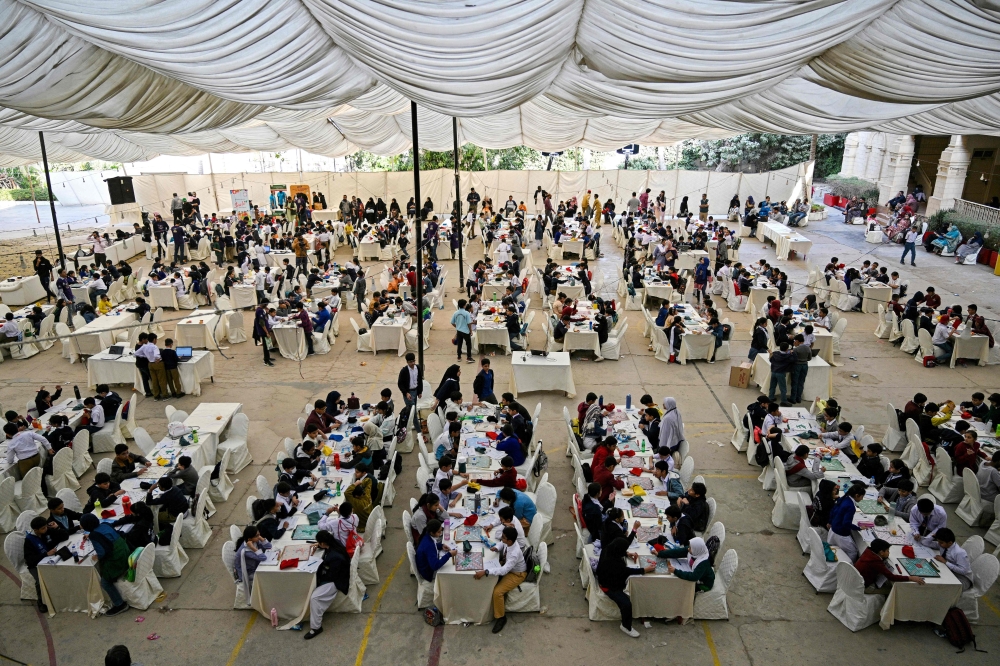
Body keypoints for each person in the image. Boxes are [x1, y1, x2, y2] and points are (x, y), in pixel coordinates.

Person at [596, 535, 657, 638]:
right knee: (626, 604)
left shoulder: (608, 548)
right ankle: (626, 626)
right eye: (624, 550)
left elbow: (622, 567)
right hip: (608, 585)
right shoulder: (613, 562)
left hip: (609, 577)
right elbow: (626, 571)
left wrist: (627, 554)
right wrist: (644, 570)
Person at [472, 526, 527, 634]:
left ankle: (501, 617)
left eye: (503, 537)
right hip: (508, 568)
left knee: (497, 592)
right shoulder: (510, 543)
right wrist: (496, 547)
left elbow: (504, 571)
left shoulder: (514, 554)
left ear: (510, 540)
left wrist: (486, 572)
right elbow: (502, 544)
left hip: (516, 574)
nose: (502, 539)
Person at [79, 513, 131, 616]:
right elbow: (105, 536)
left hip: (117, 559)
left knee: (105, 583)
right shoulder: (105, 524)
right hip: (126, 553)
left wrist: (97, 556)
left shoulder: (94, 536)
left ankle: (119, 604)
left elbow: (102, 552)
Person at [304, 529, 352, 639]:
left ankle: (316, 627)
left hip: (337, 581)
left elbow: (331, 575)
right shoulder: (336, 543)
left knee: (315, 598)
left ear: (323, 543)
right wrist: (319, 545)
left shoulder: (334, 557)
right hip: (337, 574)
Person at [855, 538, 926, 594]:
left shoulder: (868, 552)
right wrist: (910, 578)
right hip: (865, 587)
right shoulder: (876, 562)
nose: (889, 553)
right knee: (893, 590)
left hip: (857, 582)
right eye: (887, 551)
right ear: (881, 552)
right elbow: (892, 577)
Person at [828, 483, 866, 562]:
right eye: (862, 497)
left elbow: (833, 511)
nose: (862, 499)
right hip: (840, 533)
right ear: (857, 495)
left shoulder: (844, 498)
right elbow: (846, 523)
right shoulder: (851, 506)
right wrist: (858, 528)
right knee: (853, 551)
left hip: (833, 529)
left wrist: (830, 522)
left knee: (833, 548)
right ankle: (847, 567)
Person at [233, 525, 272, 600]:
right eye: (257, 536)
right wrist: (253, 548)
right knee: (267, 576)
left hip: (255, 565)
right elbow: (263, 557)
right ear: (250, 538)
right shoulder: (246, 550)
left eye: (259, 534)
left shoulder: (254, 541)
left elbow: (269, 546)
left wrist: (261, 538)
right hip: (248, 573)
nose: (259, 536)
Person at [415, 518, 456, 582]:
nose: (441, 533)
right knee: (452, 571)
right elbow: (435, 566)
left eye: (441, 530)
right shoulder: (429, 546)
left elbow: (433, 545)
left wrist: (441, 546)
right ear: (432, 533)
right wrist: (449, 554)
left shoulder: (427, 536)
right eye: (438, 532)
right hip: (429, 573)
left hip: (428, 565)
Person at [397, 352, 423, 430]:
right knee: (413, 413)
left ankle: (406, 425)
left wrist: (419, 392)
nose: (412, 363)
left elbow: (419, 380)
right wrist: (406, 393)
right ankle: (419, 432)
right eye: (410, 362)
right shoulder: (404, 371)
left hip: (415, 391)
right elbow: (400, 383)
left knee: (411, 411)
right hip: (408, 393)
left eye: (413, 361)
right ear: (407, 362)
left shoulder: (417, 368)